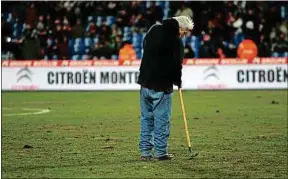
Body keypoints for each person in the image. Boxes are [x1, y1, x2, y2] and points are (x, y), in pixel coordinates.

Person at [137, 16, 194, 161]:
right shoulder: (176, 42)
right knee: (161, 119)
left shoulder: (154, 29)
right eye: (184, 31)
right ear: (179, 28)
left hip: (145, 82)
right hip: (162, 86)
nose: (184, 34)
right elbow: (176, 65)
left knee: (146, 118)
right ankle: (161, 153)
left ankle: (145, 152)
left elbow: (145, 47)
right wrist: (178, 81)